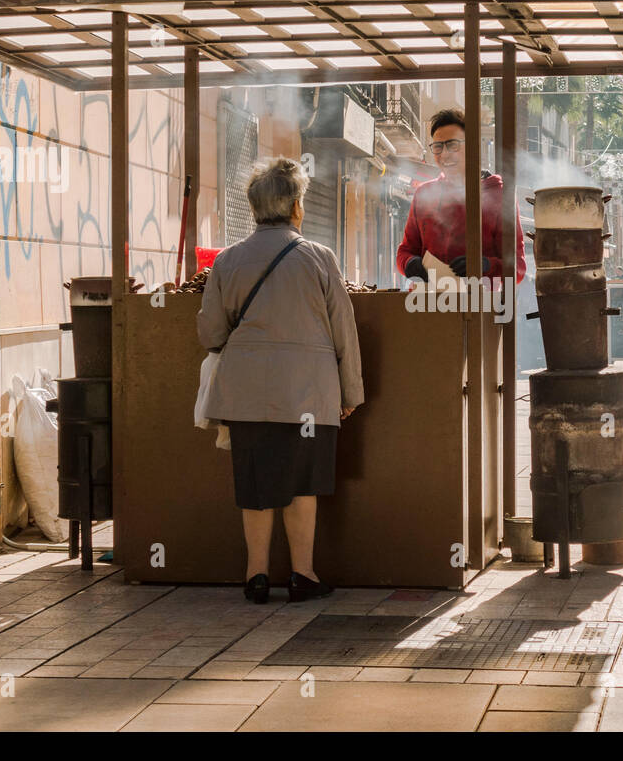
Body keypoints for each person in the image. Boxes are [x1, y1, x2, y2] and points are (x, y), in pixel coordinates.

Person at [198, 157, 364, 606]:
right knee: (301, 484)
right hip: (309, 394)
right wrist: (349, 394)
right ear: (295, 208)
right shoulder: (319, 257)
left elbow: (210, 334)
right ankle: (302, 575)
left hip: (248, 395)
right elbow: (343, 332)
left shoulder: (227, 260)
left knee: (255, 486)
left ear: (254, 208)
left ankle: (255, 577)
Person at [396, 107, 526, 284]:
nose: (444, 154)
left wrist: (485, 266)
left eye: (453, 145)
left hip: (479, 304)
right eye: (438, 147)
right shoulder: (424, 194)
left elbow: (518, 267)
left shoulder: (500, 194)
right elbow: (405, 251)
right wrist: (410, 263)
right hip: (427, 303)